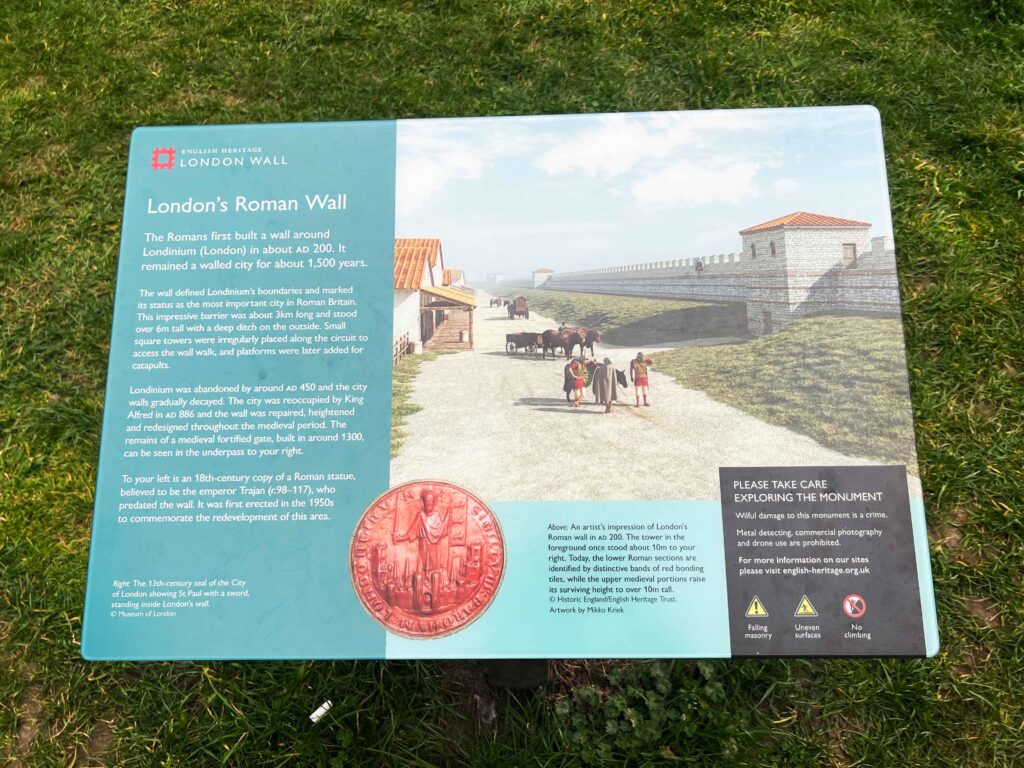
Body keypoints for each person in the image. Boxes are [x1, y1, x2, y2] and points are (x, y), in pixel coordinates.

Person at [394, 488, 451, 578]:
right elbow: (412, 532)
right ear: (423, 503)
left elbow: (440, 531)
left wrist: (448, 517)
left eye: (430, 500)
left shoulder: (436, 516)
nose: (428, 503)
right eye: (426, 501)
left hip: (434, 547)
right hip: (423, 545)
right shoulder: (421, 515)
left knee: (434, 571)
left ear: (433, 502)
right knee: (421, 569)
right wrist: (400, 538)